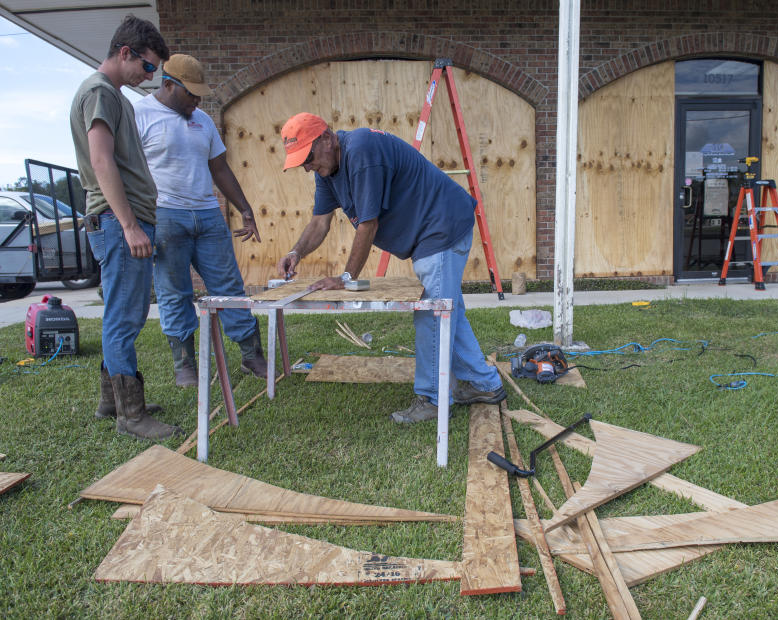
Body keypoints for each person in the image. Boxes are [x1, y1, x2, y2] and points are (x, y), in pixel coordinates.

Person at [276, 113, 506, 423]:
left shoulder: (362, 152)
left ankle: (434, 399)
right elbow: (320, 221)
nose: (307, 166)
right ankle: (485, 384)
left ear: (327, 139)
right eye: (301, 161)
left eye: (309, 157)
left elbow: (368, 224)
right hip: (433, 229)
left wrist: (345, 278)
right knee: (448, 311)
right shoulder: (327, 170)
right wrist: (296, 251)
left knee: (431, 312)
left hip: (441, 226)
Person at [69, 15, 181, 440]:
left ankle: (112, 400)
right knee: (124, 315)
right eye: (148, 67)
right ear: (124, 53)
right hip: (119, 222)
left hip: (121, 220)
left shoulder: (113, 96)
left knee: (124, 313)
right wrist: (131, 225)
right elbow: (101, 162)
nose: (150, 77)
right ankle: (130, 416)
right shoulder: (100, 92)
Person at [134, 54, 267, 387]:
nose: (197, 100)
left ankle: (252, 356)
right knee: (174, 291)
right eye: (191, 94)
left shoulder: (203, 121)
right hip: (165, 216)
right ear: (168, 85)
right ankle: (185, 366)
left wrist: (246, 209)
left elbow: (220, 168)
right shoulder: (139, 115)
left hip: (208, 216)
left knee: (230, 288)